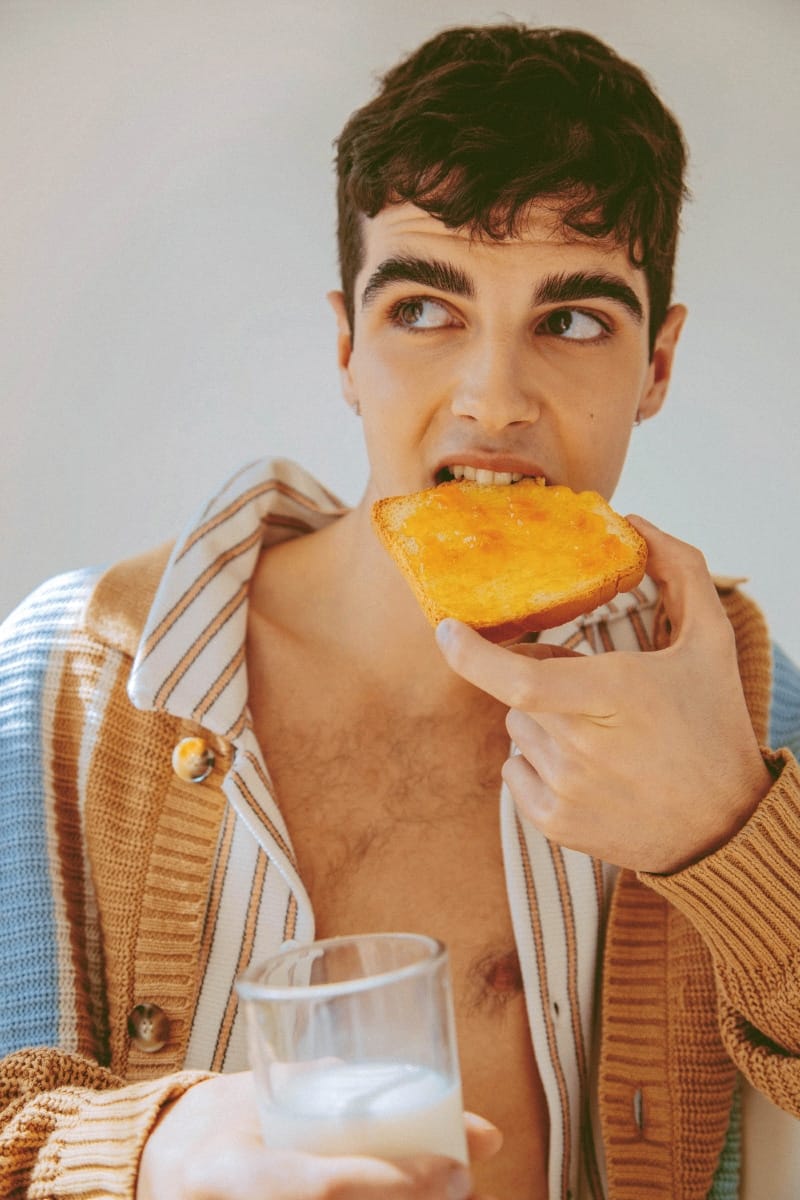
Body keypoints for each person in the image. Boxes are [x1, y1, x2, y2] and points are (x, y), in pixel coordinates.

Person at [2, 21, 800, 1200]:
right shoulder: (66, 681)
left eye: (572, 320)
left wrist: (727, 836)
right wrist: (152, 1149)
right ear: (346, 345)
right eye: (424, 309)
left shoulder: (738, 701)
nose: (493, 399)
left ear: (657, 366)